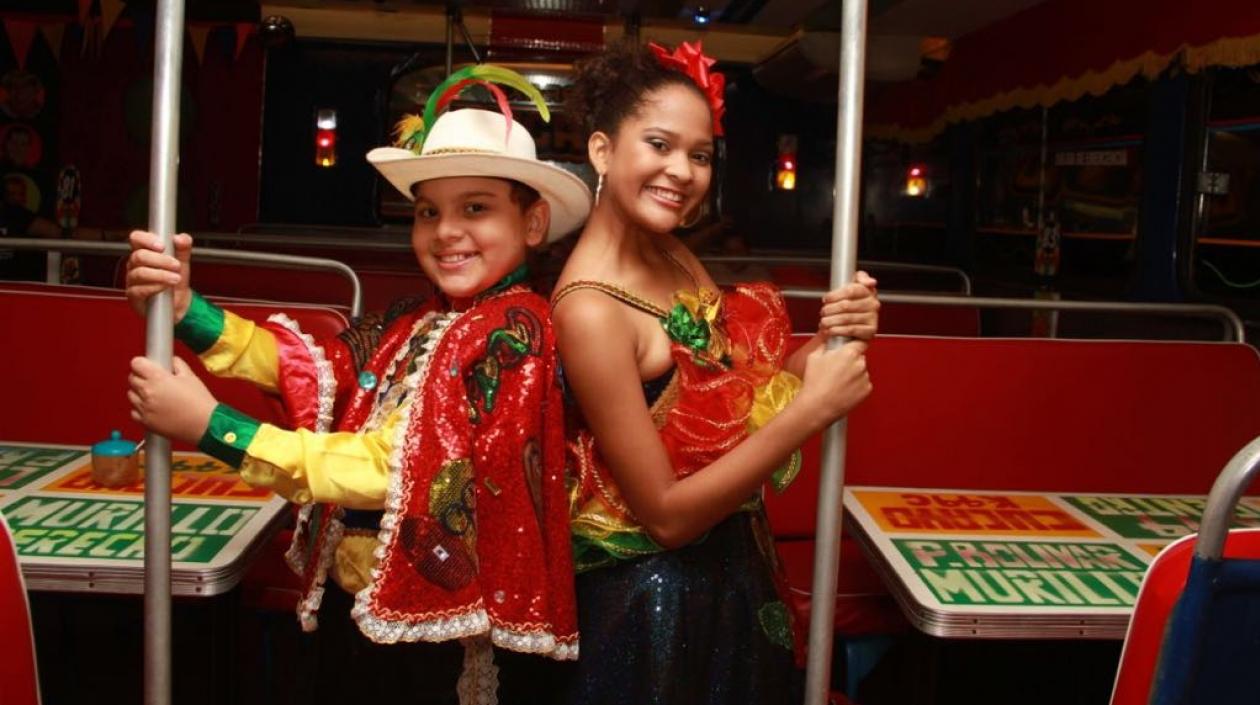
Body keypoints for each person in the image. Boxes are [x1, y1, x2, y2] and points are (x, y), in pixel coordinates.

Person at [125, 68, 592, 705]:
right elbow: (313, 375)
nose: (445, 231)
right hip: (372, 609)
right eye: (429, 211)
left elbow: (393, 470)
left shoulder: (515, 334)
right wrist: (188, 312)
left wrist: (215, 429)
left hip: (444, 630)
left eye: (475, 208)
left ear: (533, 224)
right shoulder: (413, 321)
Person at [551, 40, 879, 704]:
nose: (683, 171)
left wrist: (832, 340)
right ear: (602, 152)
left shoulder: (672, 254)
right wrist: (810, 413)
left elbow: (742, 387)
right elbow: (666, 516)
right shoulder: (588, 309)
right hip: (653, 613)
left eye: (699, 155)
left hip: (733, 577)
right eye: (660, 144)